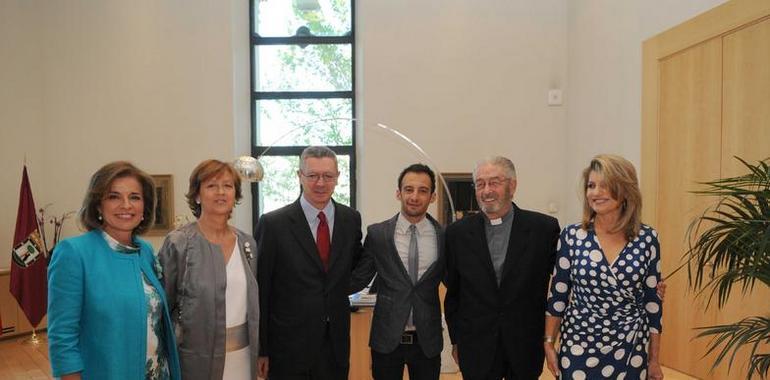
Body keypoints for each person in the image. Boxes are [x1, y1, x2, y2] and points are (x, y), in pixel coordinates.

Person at [48, 161, 181, 380]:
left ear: (144, 207)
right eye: (114, 196)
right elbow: (62, 336)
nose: (126, 205)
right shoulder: (74, 253)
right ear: (98, 205)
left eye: (134, 197)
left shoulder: (145, 251)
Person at [544, 154, 664, 380]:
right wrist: (549, 342)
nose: (595, 193)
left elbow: (653, 303)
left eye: (604, 185)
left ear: (625, 190)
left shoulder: (648, 238)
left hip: (630, 345)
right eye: (591, 186)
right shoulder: (572, 236)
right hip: (579, 344)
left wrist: (654, 359)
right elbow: (558, 294)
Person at [444, 156, 560, 380]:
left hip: (524, 345)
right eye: (480, 184)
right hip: (476, 346)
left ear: (512, 185)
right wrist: (456, 340)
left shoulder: (543, 230)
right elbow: (454, 293)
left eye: (494, 182)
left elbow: (563, 284)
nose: (487, 190)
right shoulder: (457, 234)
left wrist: (549, 339)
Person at [256, 146, 364, 379]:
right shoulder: (273, 224)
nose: (320, 183)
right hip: (287, 349)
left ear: (337, 178)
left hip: (335, 346)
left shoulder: (350, 219)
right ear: (299, 176)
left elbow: (353, 267)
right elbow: (262, 290)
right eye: (313, 175)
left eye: (327, 176)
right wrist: (262, 348)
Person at [158, 159, 260, 380]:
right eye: (212, 186)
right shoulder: (179, 243)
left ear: (235, 194)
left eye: (228, 186)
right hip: (195, 361)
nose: (220, 192)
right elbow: (163, 308)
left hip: (242, 358)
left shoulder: (247, 243)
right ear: (197, 194)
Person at [352, 163, 446, 380]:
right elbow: (359, 278)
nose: (415, 196)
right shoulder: (378, 235)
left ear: (432, 197)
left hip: (427, 342)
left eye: (423, 190)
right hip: (386, 340)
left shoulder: (444, 237)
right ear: (398, 193)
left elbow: (457, 283)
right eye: (409, 189)